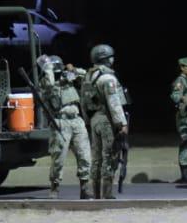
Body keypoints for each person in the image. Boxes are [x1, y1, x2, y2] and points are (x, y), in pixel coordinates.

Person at [37, 55, 93, 199]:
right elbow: (49, 84)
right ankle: (55, 188)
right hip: (60, 122)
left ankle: (85, 187)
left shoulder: (68, 79)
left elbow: (87, 75)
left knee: (84, 155)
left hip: (76, 120)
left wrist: (73, 70)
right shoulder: (45, 82)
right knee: (59, 157)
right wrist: (48, 69)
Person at [82, 43, 129, 199]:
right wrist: (122, 124)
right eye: (110, 57)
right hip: (107, 120)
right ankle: (107, 194)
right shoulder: (108, 78)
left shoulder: (89, 76)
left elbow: (83, 102)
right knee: (109, 156)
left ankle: (95, 194)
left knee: (96, 158)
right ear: (106, 59)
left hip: (94, 119)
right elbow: (114, 103)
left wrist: (88, 121)